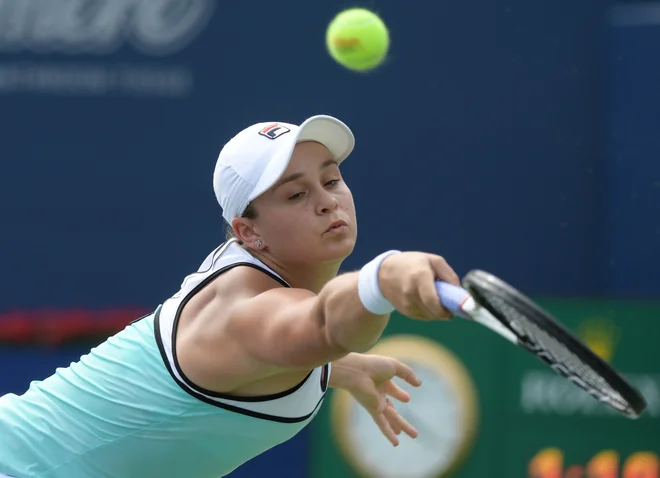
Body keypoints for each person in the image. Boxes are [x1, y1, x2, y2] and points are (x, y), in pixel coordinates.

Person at [0, 114, 461, 478]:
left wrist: (335, 368)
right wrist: (381, 279)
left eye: (332, 179)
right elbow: (320, 324)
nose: (327, 201)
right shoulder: (242, 311)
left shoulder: (254, 295)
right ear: (249, 232)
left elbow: (284, 345)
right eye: (297, 194)